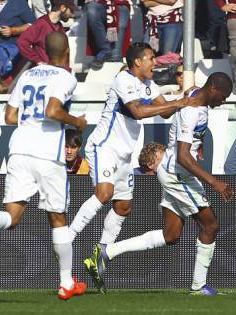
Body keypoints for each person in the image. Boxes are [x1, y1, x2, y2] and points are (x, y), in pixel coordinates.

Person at [0, 32, 88, 300]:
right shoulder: (65, 77)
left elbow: (10, 117)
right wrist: (76, 121)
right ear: (66, 52)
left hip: (19, 149)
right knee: (58, 218)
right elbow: (53, 111)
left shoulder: (28, 75)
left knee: (13, 216)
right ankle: (66, 282)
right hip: (46, 153)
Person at [83, 72, 234, 295]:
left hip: (171, 170)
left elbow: (186, 137)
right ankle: (199, 286)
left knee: (171, 235)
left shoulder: (194, 95)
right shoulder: (192, 111)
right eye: (223, 96)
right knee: (210, 225)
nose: (223, 101)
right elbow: (183, 155)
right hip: (178, 174)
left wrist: (197, 143)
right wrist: (214, 183)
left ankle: (106, 252)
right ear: (212, 89)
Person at [68, 42, 201, 251]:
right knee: (104, 193)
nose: (155, 63)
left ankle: (102, 253)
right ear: (138, 62)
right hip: (104, 146)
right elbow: (138, 111)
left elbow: (164, 111)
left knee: (123, 207)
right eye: (151, 58)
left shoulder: (149, 83)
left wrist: (183, 99)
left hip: (124, 153)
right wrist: (177, 104)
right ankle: (68, 238)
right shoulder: (123, 79)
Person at [18, 0, 74, 66]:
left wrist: (67, 70)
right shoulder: (41, 24)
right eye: (71, 10)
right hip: (44, 73)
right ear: (63, 8)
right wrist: (38, 60)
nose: (72, 14)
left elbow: (65, 54)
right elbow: (22, 42)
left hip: (59, 72)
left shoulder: (60, 27)